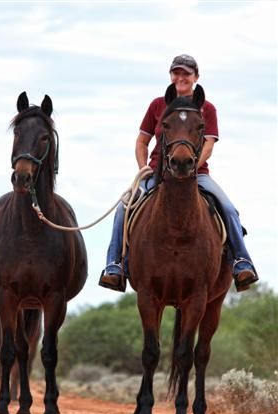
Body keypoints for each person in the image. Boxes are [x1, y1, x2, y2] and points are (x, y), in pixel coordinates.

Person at [99, 54, 258, 293]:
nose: (181, 78)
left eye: (186, 73)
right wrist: (144, 168)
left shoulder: (208, 108)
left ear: (196, 77)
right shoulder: (157, 105)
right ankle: (115, 265)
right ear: (171, 76)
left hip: (197, 174)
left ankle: (241, 262)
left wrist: (193, 166)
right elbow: (142, 141)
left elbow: (208, 144)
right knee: (124, 208)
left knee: (228, 208)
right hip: (157, 173)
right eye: (177, 73)